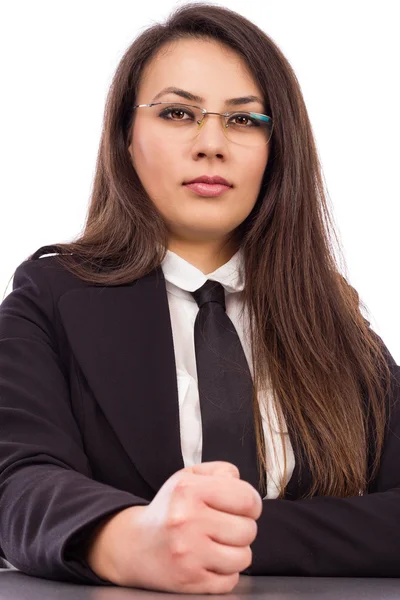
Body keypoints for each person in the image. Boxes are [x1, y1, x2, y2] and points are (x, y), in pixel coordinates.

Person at [0, 1, 399, 595]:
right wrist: (127, 539)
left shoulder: (332, 321)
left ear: (276, 148)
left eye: (243, 121)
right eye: (178, 112)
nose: (211, 143)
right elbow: (17, 481)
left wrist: (224, 538)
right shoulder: (48, 298)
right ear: (125, 138)